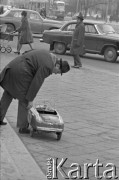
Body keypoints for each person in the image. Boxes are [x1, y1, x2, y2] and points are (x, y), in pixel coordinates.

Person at [0, 49, 70, 133]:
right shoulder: (48, 66)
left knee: (8, 93)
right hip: (22, 72)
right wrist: (30, 99)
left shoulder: (47, 55)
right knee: (24, 99)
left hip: (14, 66)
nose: (55, 73)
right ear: (58, 65)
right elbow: (36, 82)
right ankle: (23, 127)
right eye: (58, 72)